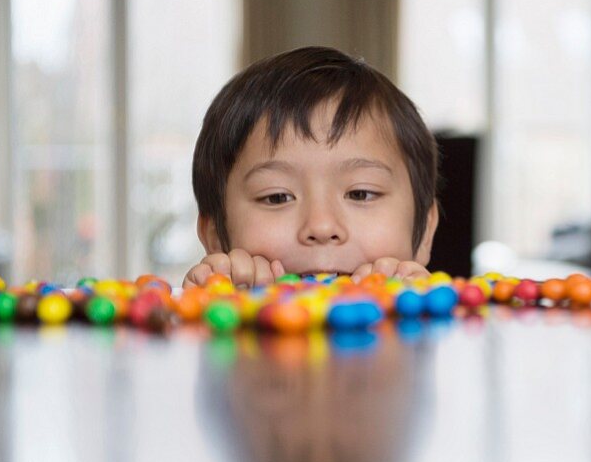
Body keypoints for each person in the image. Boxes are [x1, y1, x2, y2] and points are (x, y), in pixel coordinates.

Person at [184, 46, 439, 288]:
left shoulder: (447, 322)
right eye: (277, 197)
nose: (321, 227)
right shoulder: (209, 315)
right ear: (215, 236)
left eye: (360, 193)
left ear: (425, 230)